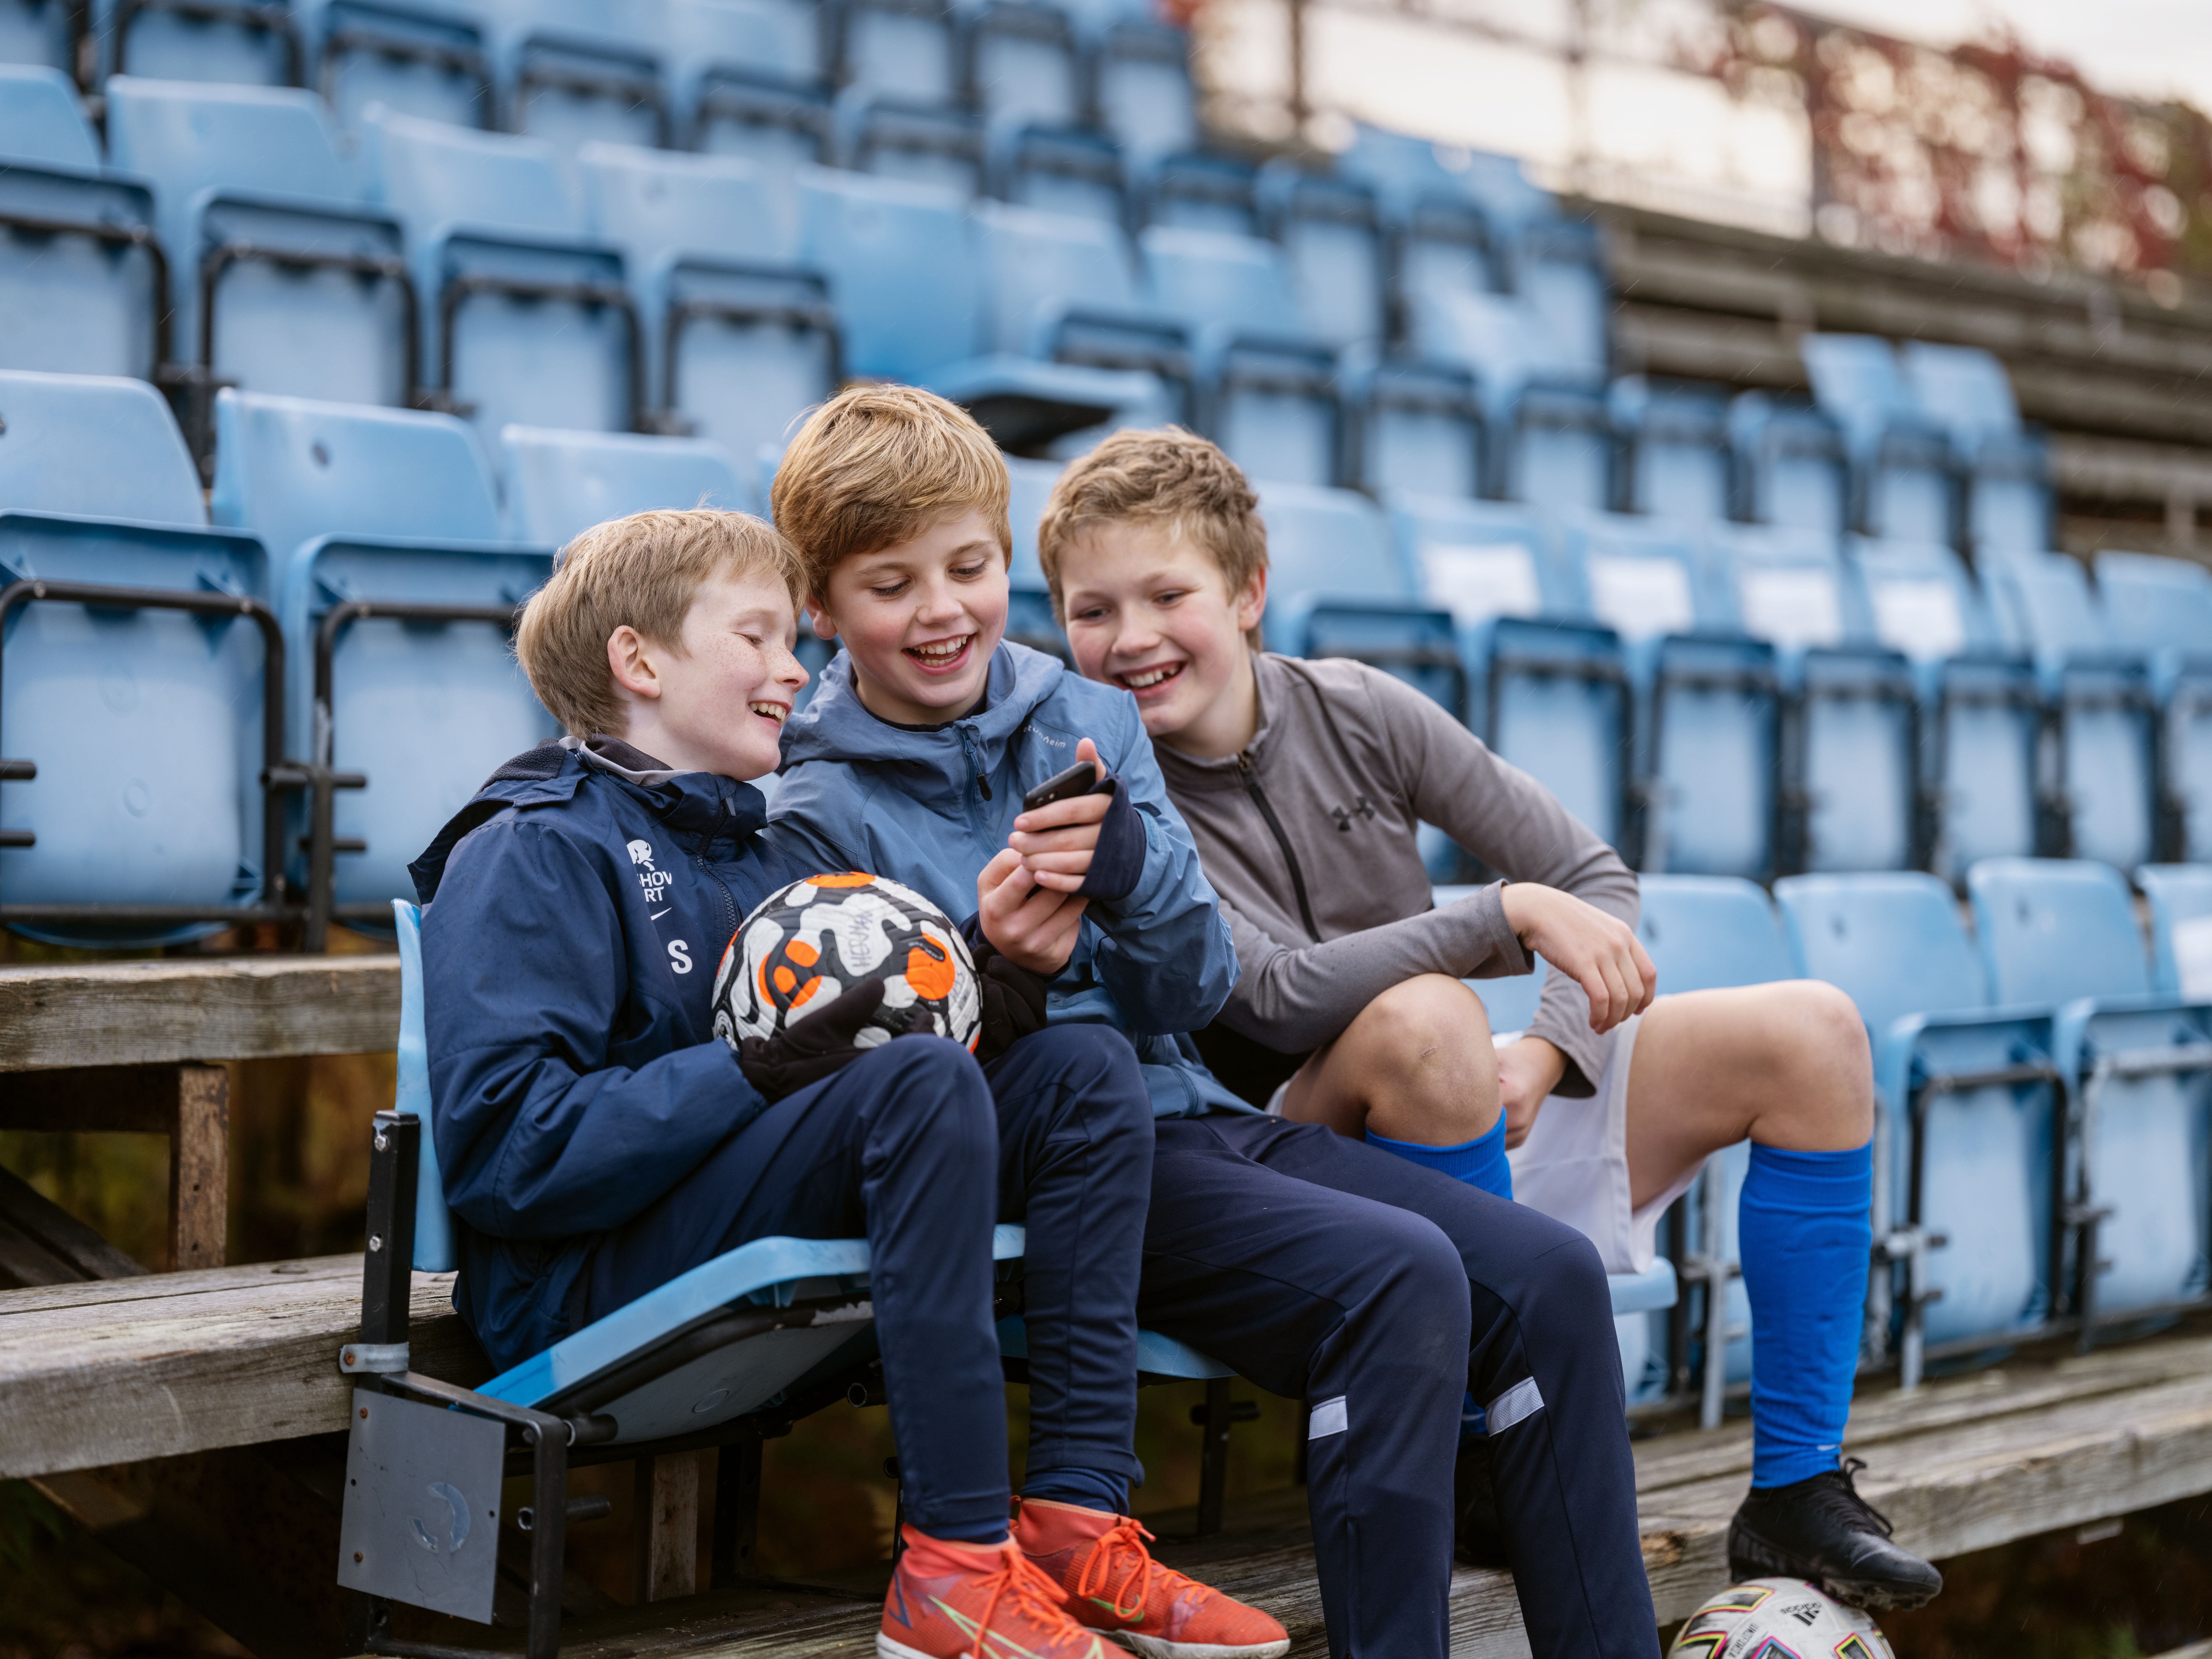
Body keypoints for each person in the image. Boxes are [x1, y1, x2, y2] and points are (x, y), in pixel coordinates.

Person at [767, 384, 1664, 1659]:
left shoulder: (1082, 720)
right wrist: (999, 973)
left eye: (967, 568)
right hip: (1072, 1166)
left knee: (1551, 1278)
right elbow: (904, 1100)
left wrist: (1132, 872)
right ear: (822, 609)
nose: (939, 611)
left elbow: (1195, 990)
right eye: (888, 586)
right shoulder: (817, 807)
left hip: (1198, 1113)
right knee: (1397, 1279)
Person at [1035, 425, 1945, 1614]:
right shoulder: (1098, 787)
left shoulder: (1359, 708)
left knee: (1813, 1031)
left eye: (1168, 594)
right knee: (1423, 1019)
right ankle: (1472, 1447)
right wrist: (1493, 923)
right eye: (1091, 611)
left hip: (1467, 1108)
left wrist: (1547, 1049)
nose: (1132, 638)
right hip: (1294, 1158)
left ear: (1250, 592)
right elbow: (1266, 995)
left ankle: (1793, 1491)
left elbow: (1592, 876)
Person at [408, 507, 1285, 1659]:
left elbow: (850, 1062)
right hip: (576, 1271)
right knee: (917, 1086)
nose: (794, 671)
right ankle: (955, 1571)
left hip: (714, 1208)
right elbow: (508, 1156)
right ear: (640, 661)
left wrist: (1000, 971)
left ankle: (1077, 1519)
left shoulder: (768, 848)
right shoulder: (531, 845)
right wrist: (748, 1071)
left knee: (1079, 1069)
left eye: (791, 641)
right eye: (760, 639)